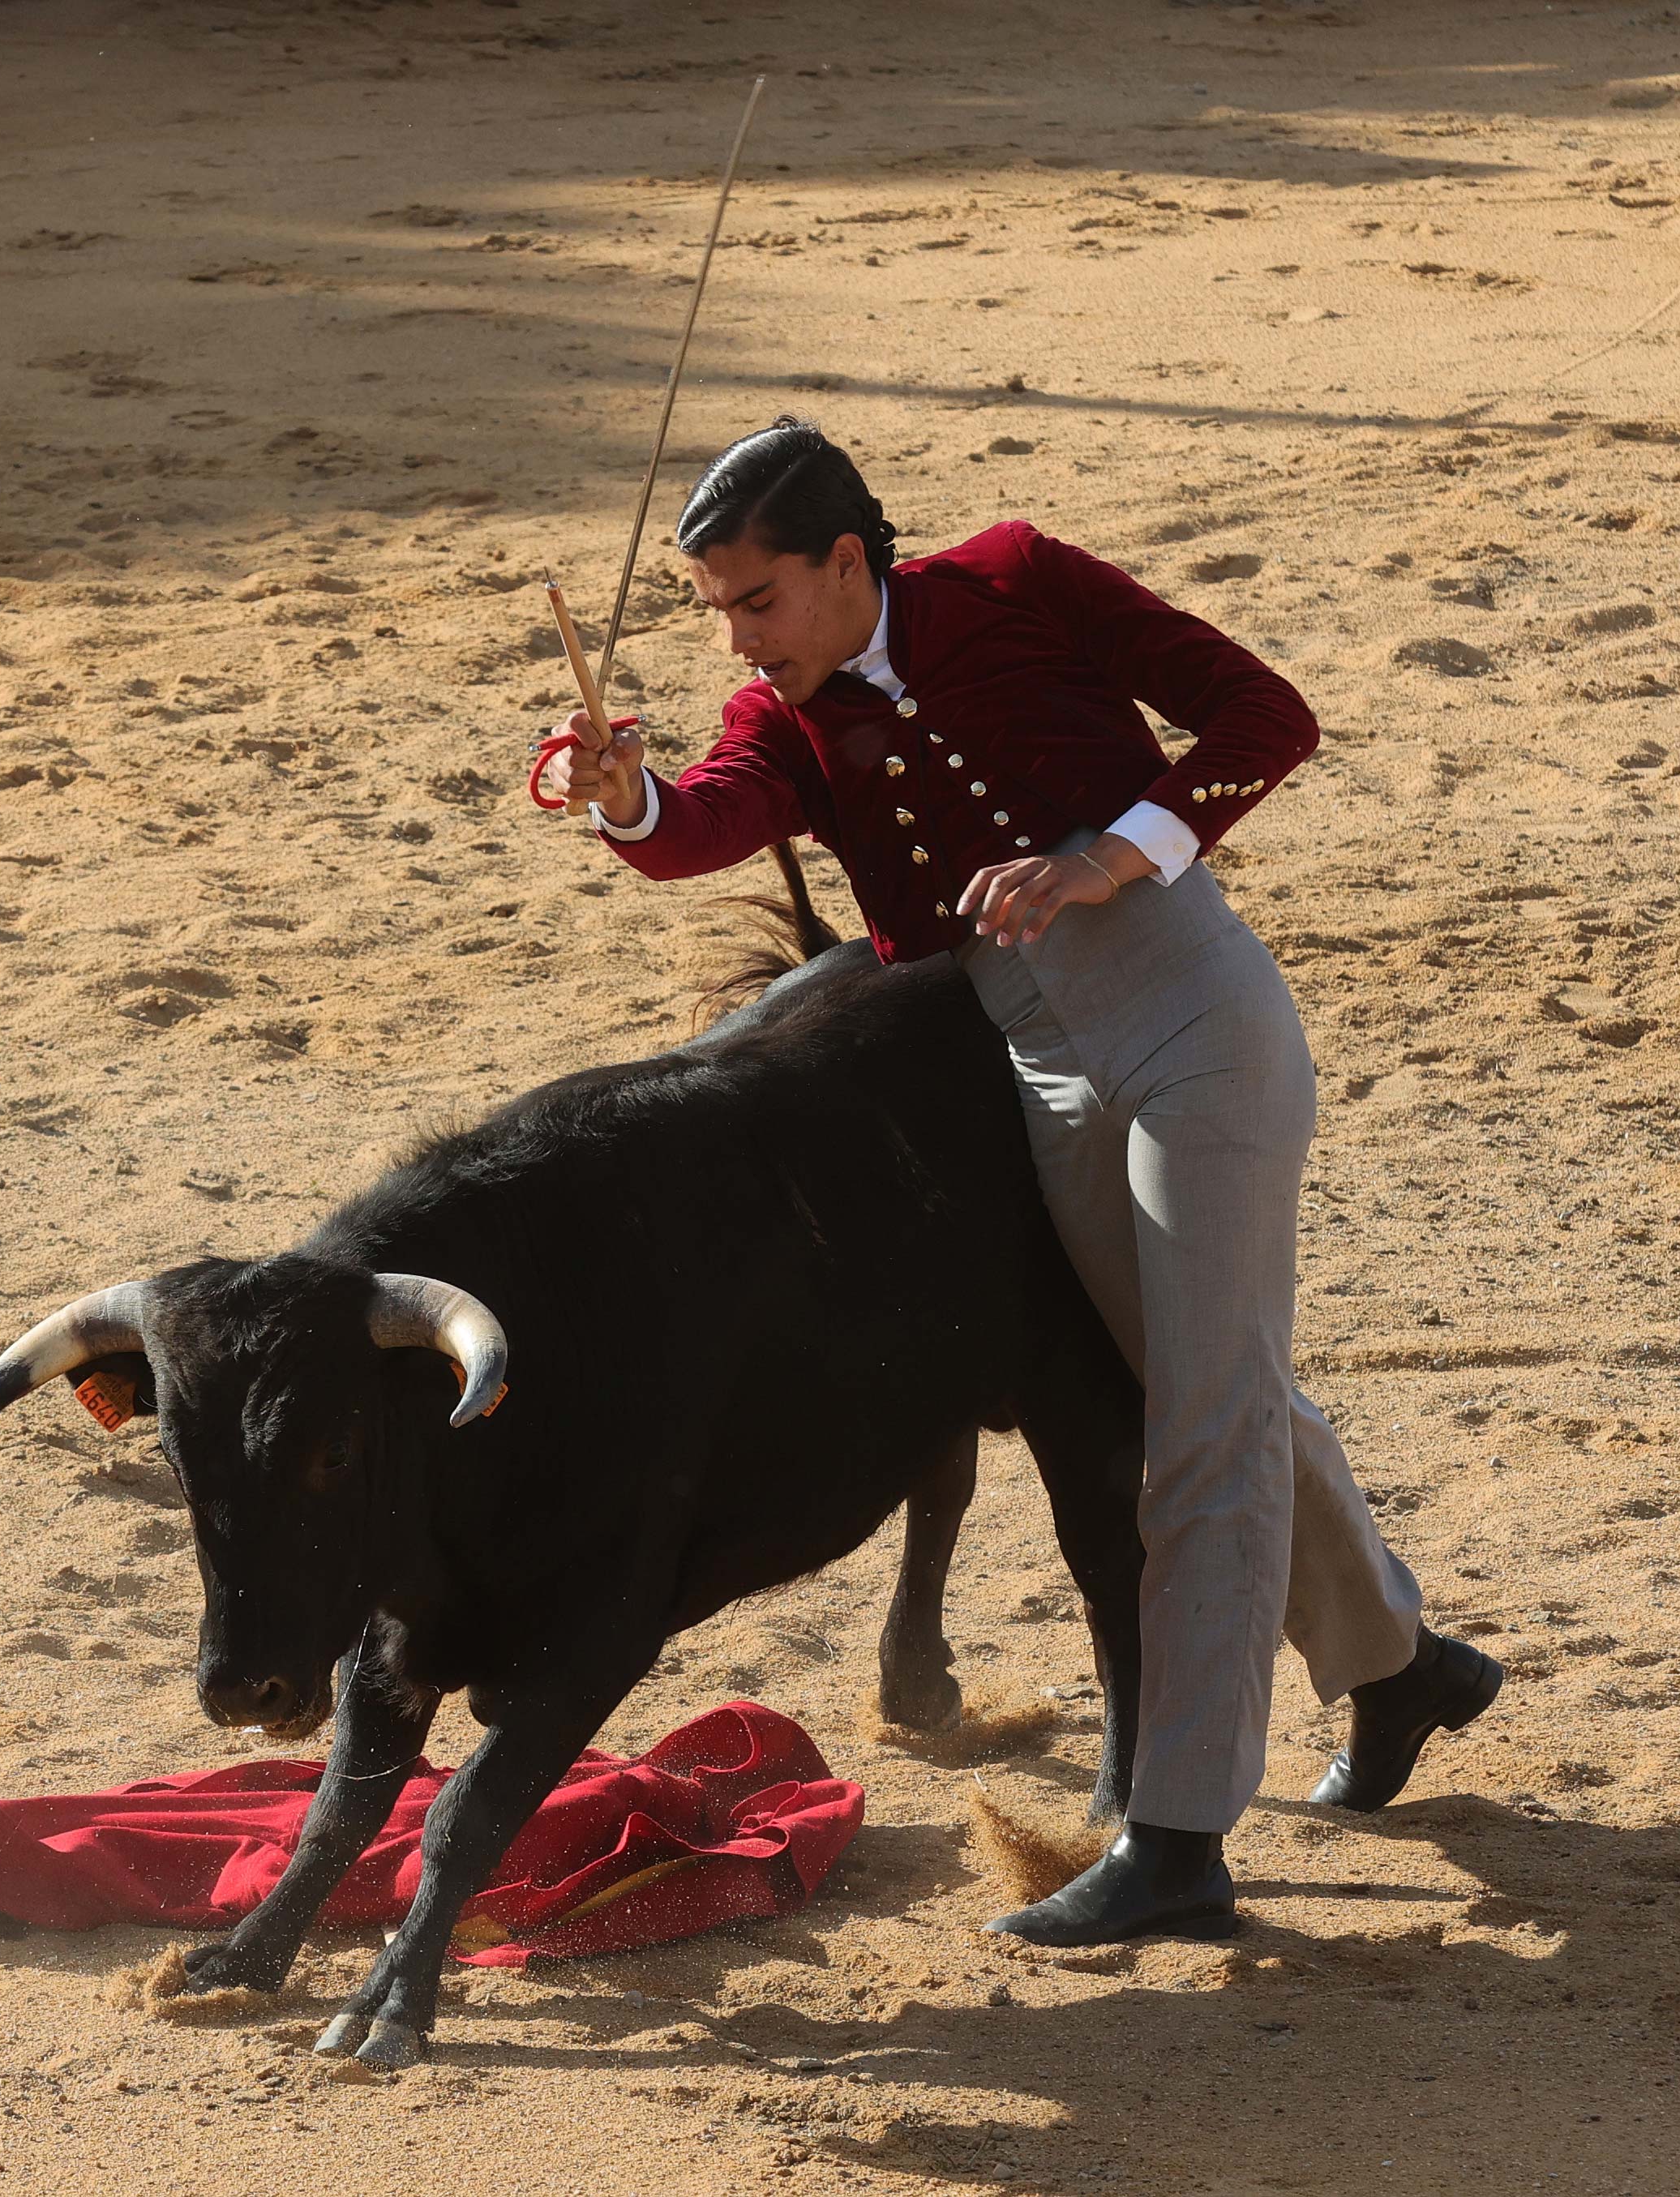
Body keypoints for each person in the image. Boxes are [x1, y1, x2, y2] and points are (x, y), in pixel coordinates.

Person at [541, 417, 1501, 1947]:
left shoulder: (1019, 580)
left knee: (1197, 1418)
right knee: (1207, 1380)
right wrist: (623, 798)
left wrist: (1114, 854)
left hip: (1196, 1013)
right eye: (717, 609)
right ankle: (1400, 1668)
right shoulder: (780, 710)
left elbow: (1267, 716)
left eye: (758, 598)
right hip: (1039, 1058)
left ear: (849, 560)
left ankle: (1179, 1838)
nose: (740, 636)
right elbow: (703, 820)